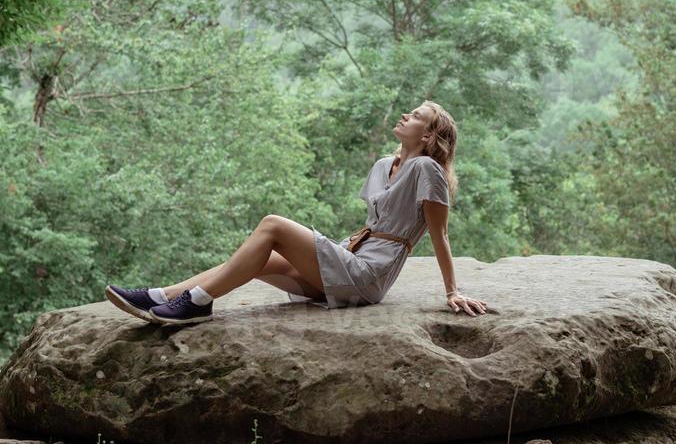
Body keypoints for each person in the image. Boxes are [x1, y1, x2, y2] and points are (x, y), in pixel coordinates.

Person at [105, 100, 489, 325]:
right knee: (261, 258)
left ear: (427, 136)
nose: (406, 115)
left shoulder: (427, 170)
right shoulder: (382, 164)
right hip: (350, 260)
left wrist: (452, 291)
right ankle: (162, 296)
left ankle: (197, 302)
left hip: (368, 277)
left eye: (416, 115)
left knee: (272, 224)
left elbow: (440, 234)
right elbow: (372, 224)